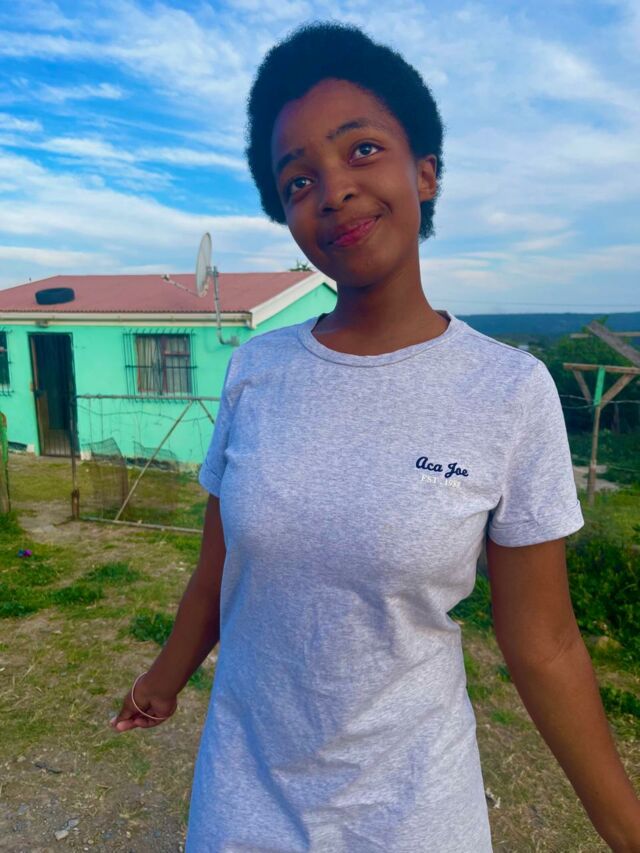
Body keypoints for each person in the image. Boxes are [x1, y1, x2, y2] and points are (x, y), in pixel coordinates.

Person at [109, 20, 640, 853]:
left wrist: (626, 826)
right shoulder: (256, 370)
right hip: (243, 801)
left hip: (415, 813)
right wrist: (162, 681)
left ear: (425, 172)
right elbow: (220, 570)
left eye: (361, 149)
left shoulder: (508, 390)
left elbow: (544, 641)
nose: (333, 191)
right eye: (298, 180)